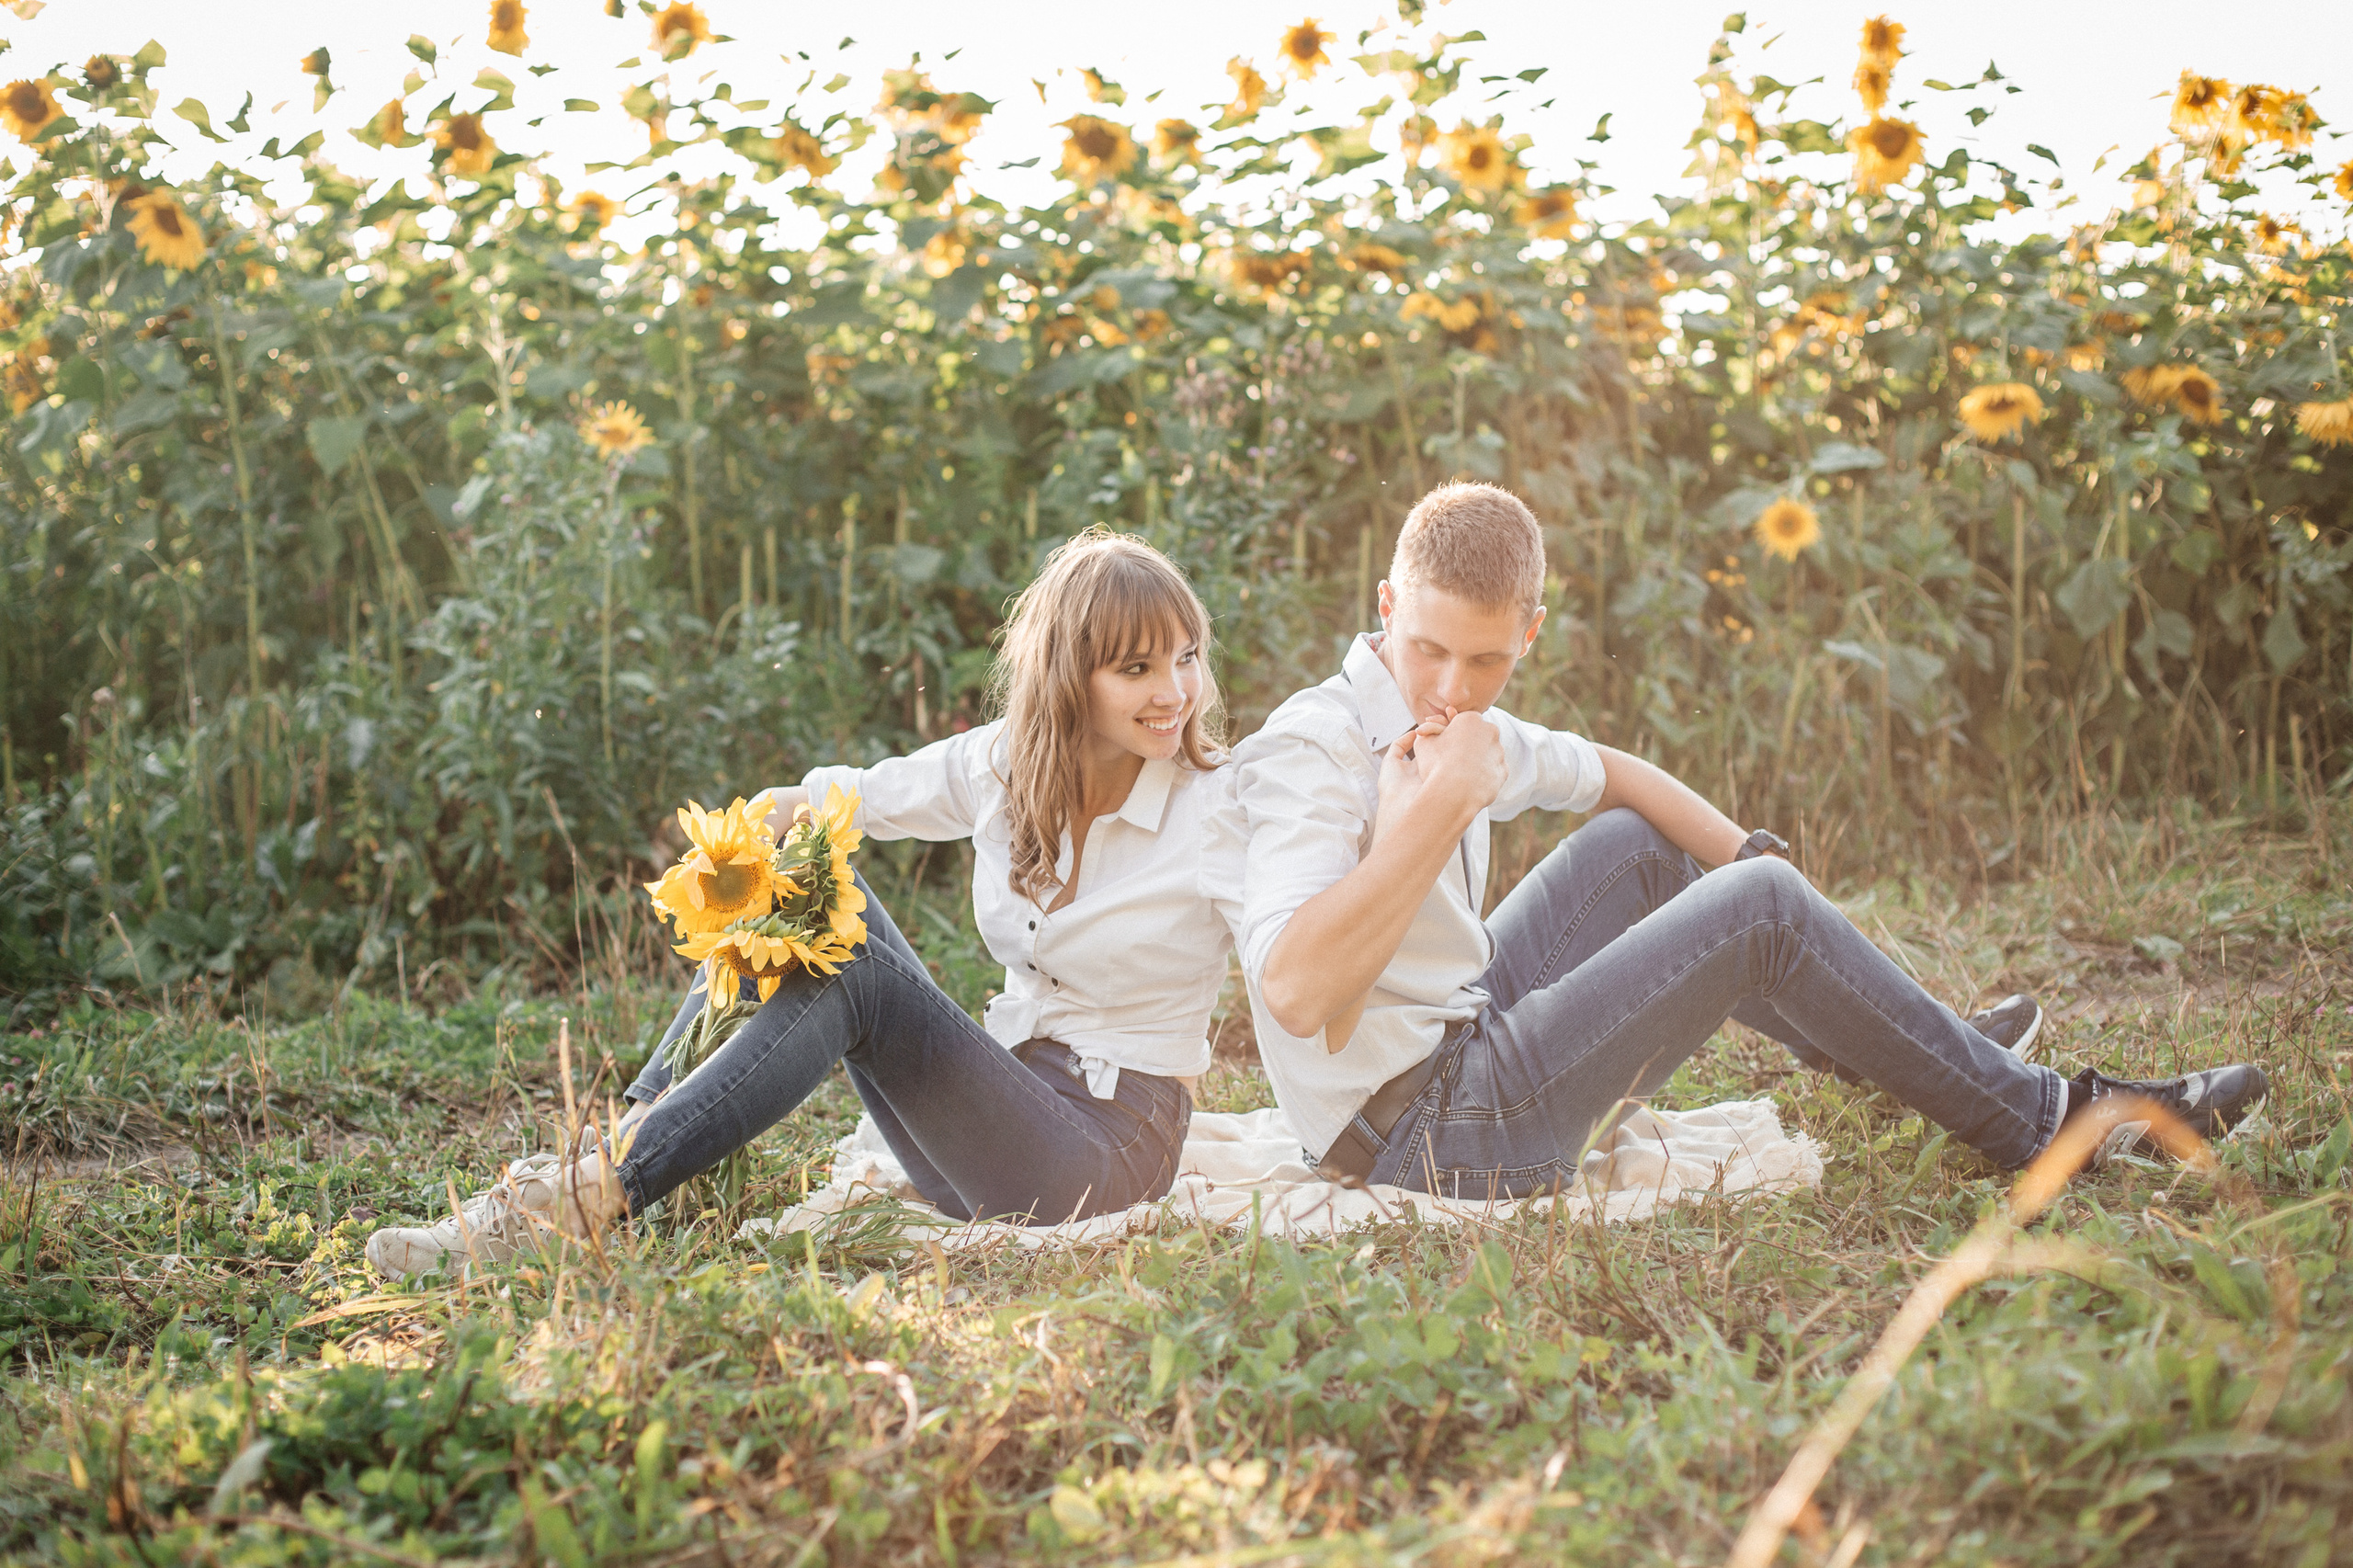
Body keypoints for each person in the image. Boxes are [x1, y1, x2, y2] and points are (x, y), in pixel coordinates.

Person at [1228, 481, 2267, 1198]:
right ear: (1384, 606)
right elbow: (1298, 994)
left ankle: (1889, 1038)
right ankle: (2055, 1122)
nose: (1453, 689)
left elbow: (1621, 774)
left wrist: (1762, 862)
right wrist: (1433, 811)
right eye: (1427, 649)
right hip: (1423, 1133)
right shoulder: (1309, 752)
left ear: (1529, 633)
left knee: (1651, 848)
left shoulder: (1468, 726)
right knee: (1756, 917)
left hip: (1453, 1031)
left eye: (1487, 661)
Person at [368, 528, 1240, 1275]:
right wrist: (740, 858)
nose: (1175, 692)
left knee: (850, 971)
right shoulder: (1008, 765)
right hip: (992, 1121)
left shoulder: (1220, 806)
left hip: (1106, 1152)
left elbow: (1293, 940)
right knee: (815, 878)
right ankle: (619, 1147)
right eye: (1137, 667)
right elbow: (836, 801)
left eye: (1186, 658)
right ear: (1070, 676)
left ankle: (589, 1196)